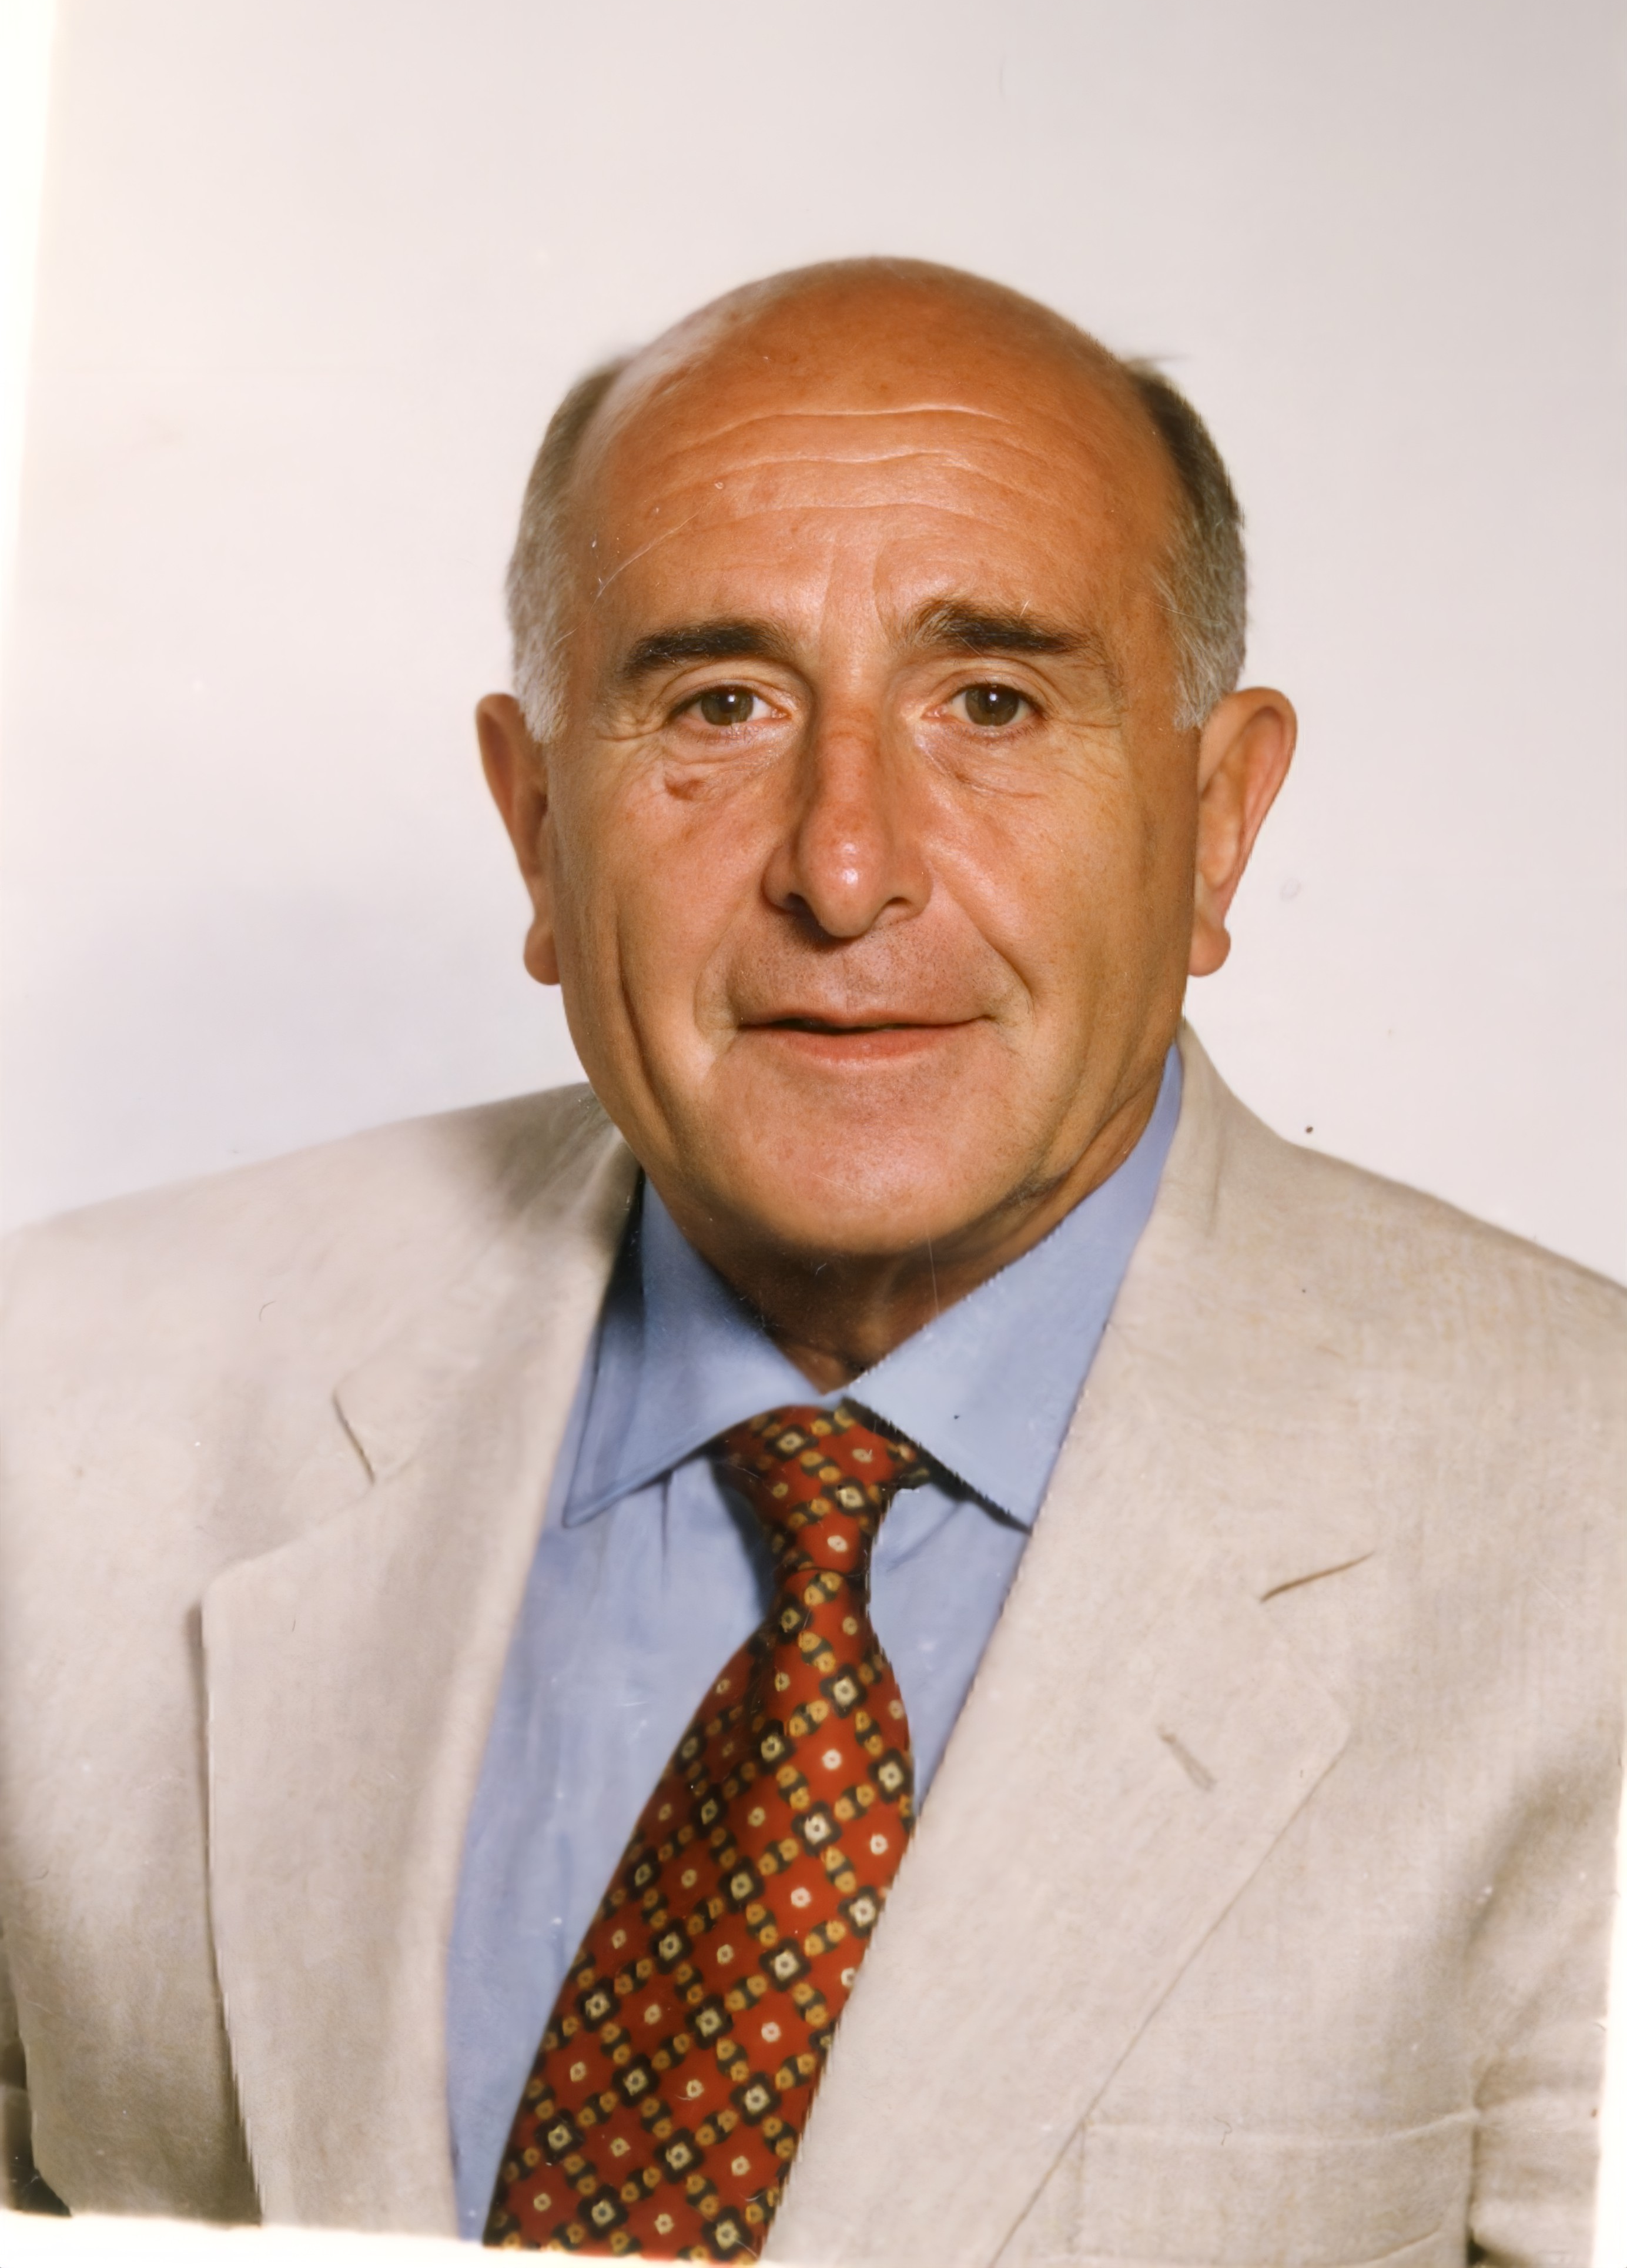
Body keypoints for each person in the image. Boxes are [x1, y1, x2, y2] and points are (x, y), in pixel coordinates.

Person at [0, 259, 1621, 2268]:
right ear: (534, 824)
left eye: (994, 704)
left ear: (1217, 823)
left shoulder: (1589, 1527)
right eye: (721, 706)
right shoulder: (56, 1403)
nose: (844, 870)